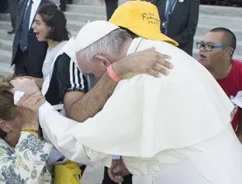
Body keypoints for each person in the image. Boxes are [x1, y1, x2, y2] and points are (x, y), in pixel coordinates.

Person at [13, 2, 242, 184]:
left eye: (91, 74)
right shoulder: (156, 53)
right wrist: (130, 163)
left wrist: (38, 106)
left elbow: (84, 146)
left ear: (103, 61)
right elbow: (162, 133)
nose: (94, 80)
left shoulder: (144, 72)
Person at [0, 76, 53, 183]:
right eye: (27, 113)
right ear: (3, 124)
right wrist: (30, 124)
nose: (35, 116)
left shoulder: (29, 135)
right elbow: (19, 180)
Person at [197, 27, 242, 141]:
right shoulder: (193, 71)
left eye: (210, 46)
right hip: (197, 141)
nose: (202, 49)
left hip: (228, 142)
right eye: (202, 45)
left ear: (227, 52)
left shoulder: (240, 73)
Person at [11, 0, 54, 78]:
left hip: (38, 58)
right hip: (20, 55)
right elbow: (19, 28)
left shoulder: (49, 5)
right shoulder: (22, 3)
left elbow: (52, 33)